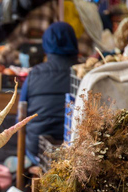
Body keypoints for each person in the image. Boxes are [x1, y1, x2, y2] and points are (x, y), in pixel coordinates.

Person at [19, 22, 79, 165]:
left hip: (39, 151)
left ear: (46, 45)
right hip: (77, 154)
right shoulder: (84, 74)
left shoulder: (34, 75)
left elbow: (19, 120)